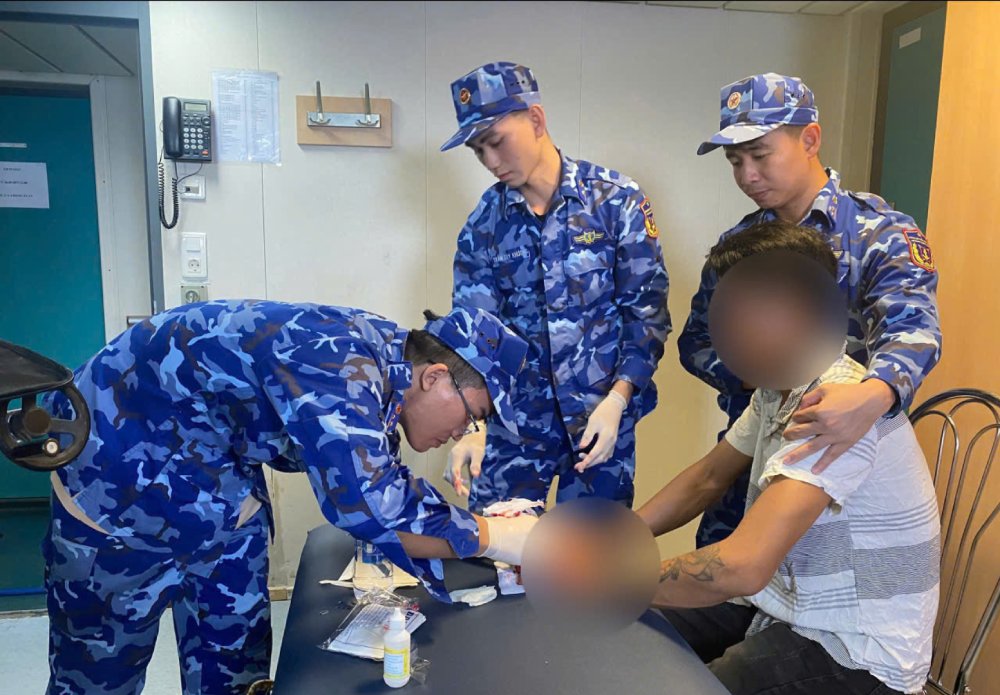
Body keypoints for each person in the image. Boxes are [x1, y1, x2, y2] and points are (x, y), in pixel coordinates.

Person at [43, 300, 537, 695]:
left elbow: (382, 481)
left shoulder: (390, 367)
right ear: (434, 378)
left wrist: (481, 530)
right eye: (475, 416)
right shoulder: (342, 364)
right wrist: (496, 538)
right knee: (97, 674)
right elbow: (370, 506)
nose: (464, 433)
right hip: (116, 478)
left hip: (216, 484)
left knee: (237, 672)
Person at [639, 221, 939, 695]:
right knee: (638, 627)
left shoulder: (837, 406)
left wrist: (612, 577)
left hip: (859, 648)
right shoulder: (777, 388)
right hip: (785, 605)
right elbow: (708, 477)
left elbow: (742, 564)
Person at [679, 72, 941, 547]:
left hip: (839, 461)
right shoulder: (740, 246)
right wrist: (757, 375)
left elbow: (914, 332)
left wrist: (875, 393)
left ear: (810, 139)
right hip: (751, 449)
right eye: (735, 162)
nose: (747, 176)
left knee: (815, 600)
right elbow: (697, 342)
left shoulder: (879, 235)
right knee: (723, 586)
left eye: (760, 155)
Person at [441, 61, 670, 512]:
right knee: (498, 566)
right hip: (515, 432)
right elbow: (473, 336)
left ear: (536, 120)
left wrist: (619, 400)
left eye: (496, 143)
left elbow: (646, 316)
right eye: (478, 151)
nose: (490, 162)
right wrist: (471, 425)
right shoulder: (484, 226)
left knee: (592, 567)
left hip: (600, 428)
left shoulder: (614, 201)